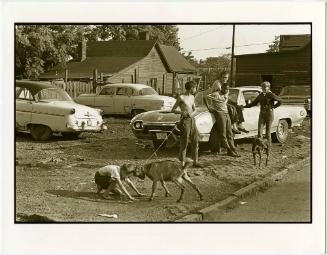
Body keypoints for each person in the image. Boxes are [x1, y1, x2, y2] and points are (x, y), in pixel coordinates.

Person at [204, 79, 240, 157]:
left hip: (226, 114)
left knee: (230, 133)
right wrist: (209, 107)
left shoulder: (226, 94)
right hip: (220, 114)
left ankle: (233, 149)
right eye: (225, 89)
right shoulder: (216, 94)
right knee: (223, 134)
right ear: (222, 88)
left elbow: (226, 102)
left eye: (228, 89)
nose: (227, 90)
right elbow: (205, 97)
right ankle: (229, 150)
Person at [171, 81, 203, 168]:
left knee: (195, 141)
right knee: (184, 142)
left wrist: (192, 114)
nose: (195, 89)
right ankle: (182, 164)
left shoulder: (192, 97)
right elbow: (173, 109)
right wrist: (181, 112)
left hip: (192, 120)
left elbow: (195, 109)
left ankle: (195, 162)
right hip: (185, 121)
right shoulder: (181, 97)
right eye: (195, 87)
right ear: (191, 88)